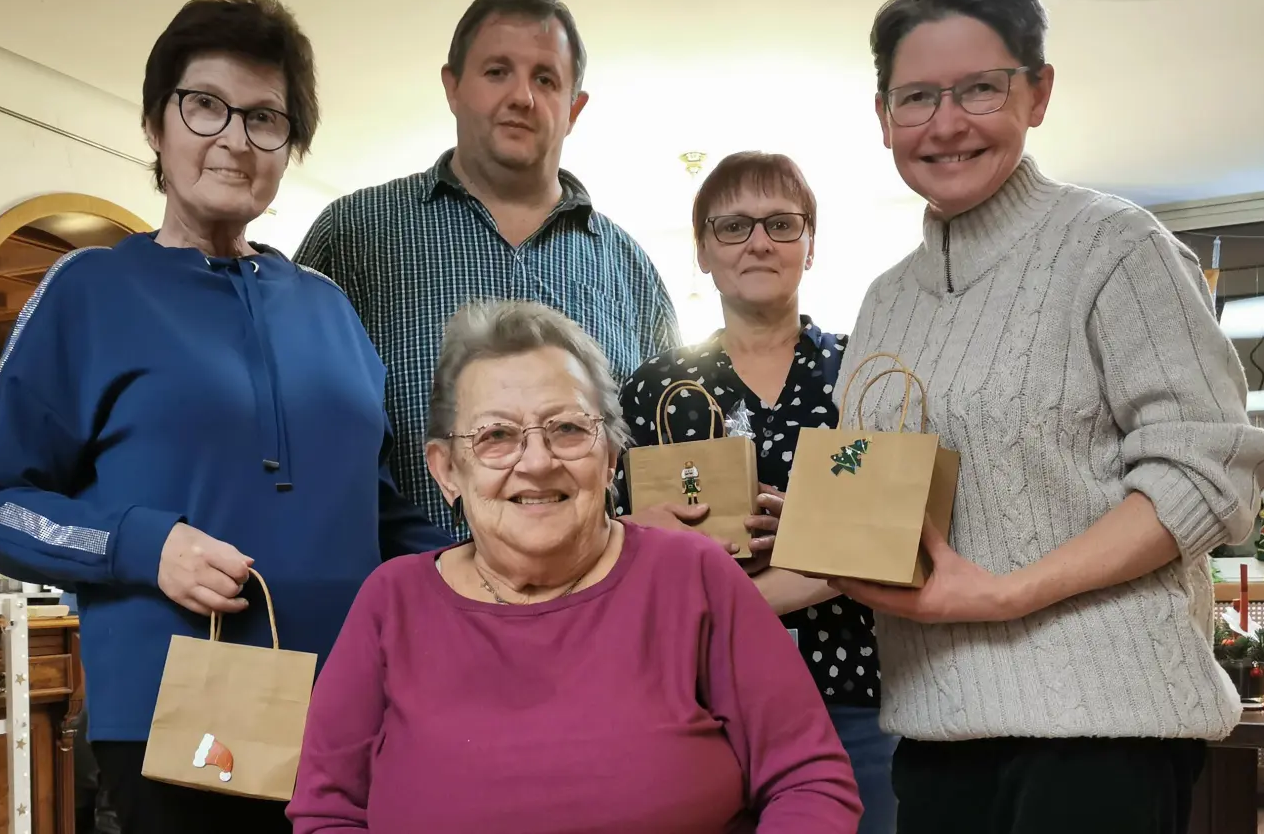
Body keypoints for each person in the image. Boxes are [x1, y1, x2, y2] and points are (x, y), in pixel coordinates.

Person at [0, 0, 445, 834]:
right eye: (205, 106)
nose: (233, 139)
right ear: (155, 124)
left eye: (265, 119)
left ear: (290, 146)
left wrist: (522, 559)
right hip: (180, 725)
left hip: (365, 708)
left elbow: (383, 517)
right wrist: (143, 543)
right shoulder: (91, 292)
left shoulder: (331, 309)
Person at [830, 0, 1264, 834]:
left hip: (1102, 729)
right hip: (935, 722)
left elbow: (1206, 479)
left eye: (981, 88)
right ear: (884, 116)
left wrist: (1006, 593)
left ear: (1037, 94)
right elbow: (889, 499)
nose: (947, 122)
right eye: (917, 96)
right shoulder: (884, 299)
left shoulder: (1116, 248)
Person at [288, 300, 861, 834]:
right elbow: (328, 810)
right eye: (496, 436)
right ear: (446, 470)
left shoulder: (694, 577)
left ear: (611, 454)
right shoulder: (392, 602)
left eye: (566, 428)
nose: (536, 462)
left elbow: (809, 779)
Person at [293, 0, 680, 536]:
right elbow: (297, 431)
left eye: (545, 79)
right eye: (497, 71)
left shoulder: (631, 268)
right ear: (452, 87)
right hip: (410, 602)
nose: (522, 96)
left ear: (574, 108)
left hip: (600, 605)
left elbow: (664, 446)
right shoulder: (352, 235)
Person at [616, 152, 897, 834]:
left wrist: (743, 586)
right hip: (699, 699)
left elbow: (886, 541)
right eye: (734, 226)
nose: (760, 242)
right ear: (704, 251)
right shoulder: (653, 387)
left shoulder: (866, 371)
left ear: (810, 244)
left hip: (850, 696)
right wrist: (825, 542)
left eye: (781, 223)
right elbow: (622, 548)